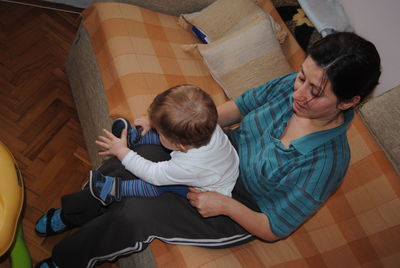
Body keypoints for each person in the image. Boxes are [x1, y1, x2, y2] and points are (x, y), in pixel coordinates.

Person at [34, 32, 381, 268]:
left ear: (349, 101)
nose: (299, 93)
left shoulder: (325, 163)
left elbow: (274, 228)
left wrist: (224, 204)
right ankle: (72, 212)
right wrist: (176, 124)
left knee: (135, 214)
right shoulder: (291, 88)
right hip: (219, 151)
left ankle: (67, 260)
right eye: (302, 76)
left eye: (315, 91)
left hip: (239, 205)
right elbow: (237, 108)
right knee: (127, 165)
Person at [88, 84, 239, 206]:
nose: (156, 130)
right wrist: (154, 120)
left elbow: (152, 174)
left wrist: (122, 152)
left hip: (208, 189)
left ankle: (115, 190)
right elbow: (175, 126)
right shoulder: (207, 124)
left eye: (158, 131)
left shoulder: (188, 167)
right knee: (166, 137)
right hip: (217, 167)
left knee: (162, 184)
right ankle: (132, 139)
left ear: (181, 146)